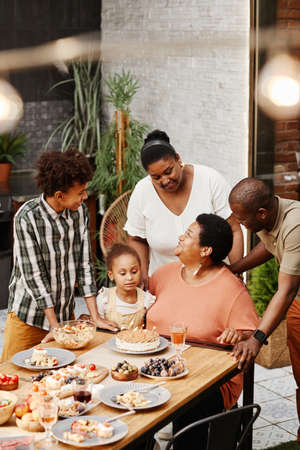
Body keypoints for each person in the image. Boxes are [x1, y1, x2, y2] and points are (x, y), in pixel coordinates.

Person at [146, 213, 258, 449]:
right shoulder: (164, 274)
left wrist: (238, 335)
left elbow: (251, 333)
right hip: (157, 367)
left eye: (187, 235)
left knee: (192, 400)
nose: (180, 237)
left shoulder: (231, 288)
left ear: (205, 250)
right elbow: (139, 306)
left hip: (207, 379)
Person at [1, 148, 117, 362]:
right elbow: (34, 276)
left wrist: (95, 316)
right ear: (59, 196)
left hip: (65, 320)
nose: (85, 196)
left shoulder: (79, 212)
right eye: (81, 192)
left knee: (61, 381)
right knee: (10, 378)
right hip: (28, 319)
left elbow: (85, 264)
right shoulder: (27, 218)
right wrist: (53, 326)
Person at [228, 177, 300, 443]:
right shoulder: (266, 218)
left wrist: (258, 338)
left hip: (294, 294)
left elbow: (286, 289)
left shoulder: (295, 224)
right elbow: (269, 246)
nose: (238, 222)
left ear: (261, 213)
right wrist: (234, 269)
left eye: (241, 217)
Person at [124, 129, 243, 288]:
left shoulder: (210, 180)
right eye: (156, 177)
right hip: (163, 286)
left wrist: (236, 272)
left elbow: (234, 229)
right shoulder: (142, 192)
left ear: (178, 159)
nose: (165, 181)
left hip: (213, 283)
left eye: (168, 171)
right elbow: (136, 238)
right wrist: (143, 278)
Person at [78, 243, 155, 330]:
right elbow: (98, 326)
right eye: (123, 273)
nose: (129, 277)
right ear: (111, 275)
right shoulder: (105, 299)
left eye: (134, 272)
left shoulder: (146, 299)